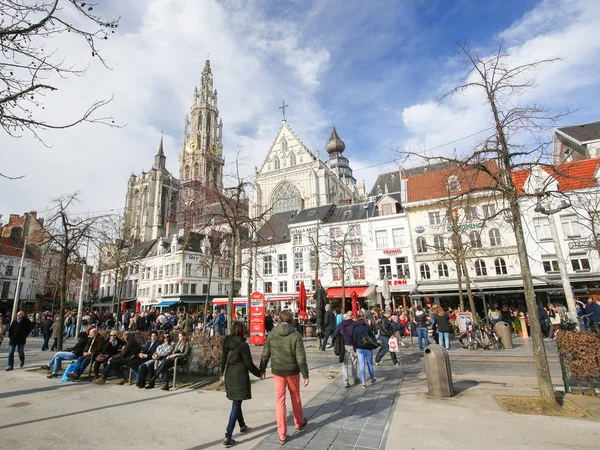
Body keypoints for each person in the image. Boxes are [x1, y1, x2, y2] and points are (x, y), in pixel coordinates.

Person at [259, 310, 309, 445]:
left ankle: (282, 434)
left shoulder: (272, 334)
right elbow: (301, 358)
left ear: (279, 320)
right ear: (291, 319)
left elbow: (265, 354)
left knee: (280, 399)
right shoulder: (296, 335)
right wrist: (305, 374)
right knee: (295, 395)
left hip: (278, 371)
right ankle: (299, 422)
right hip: (292, 371)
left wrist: (262, 369)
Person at [220, 322, 262, 448]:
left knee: (236, 401)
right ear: (242, 330)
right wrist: (259, 373)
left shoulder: (226, 341)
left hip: (229, 376)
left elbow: (223, 359)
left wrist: (223, 373)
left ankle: (242, 426)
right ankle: (228, 436)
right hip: (240, 376)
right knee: (236, 403)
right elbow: (249, 364)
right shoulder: (243, 345)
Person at [352, 314, 377, 388]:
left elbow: (354, 340)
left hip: (359, 348)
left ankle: (363, 382)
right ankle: (372, 378)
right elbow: (372, 337)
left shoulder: (355, 329)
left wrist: (354, 350)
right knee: (369, 364)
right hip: (368, 348)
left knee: (362, 365)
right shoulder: (368, 328)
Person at [337, 311, 360, 388]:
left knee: (345, 364)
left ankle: (346, 381)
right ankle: (355, 378)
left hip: (343, 345)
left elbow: (335, 333)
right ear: (352, 316)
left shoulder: (341, 324)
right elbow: (363, 321)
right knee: (354, 362)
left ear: (346, 316)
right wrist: (355, 320)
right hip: (352, 346)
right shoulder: (353, 323)